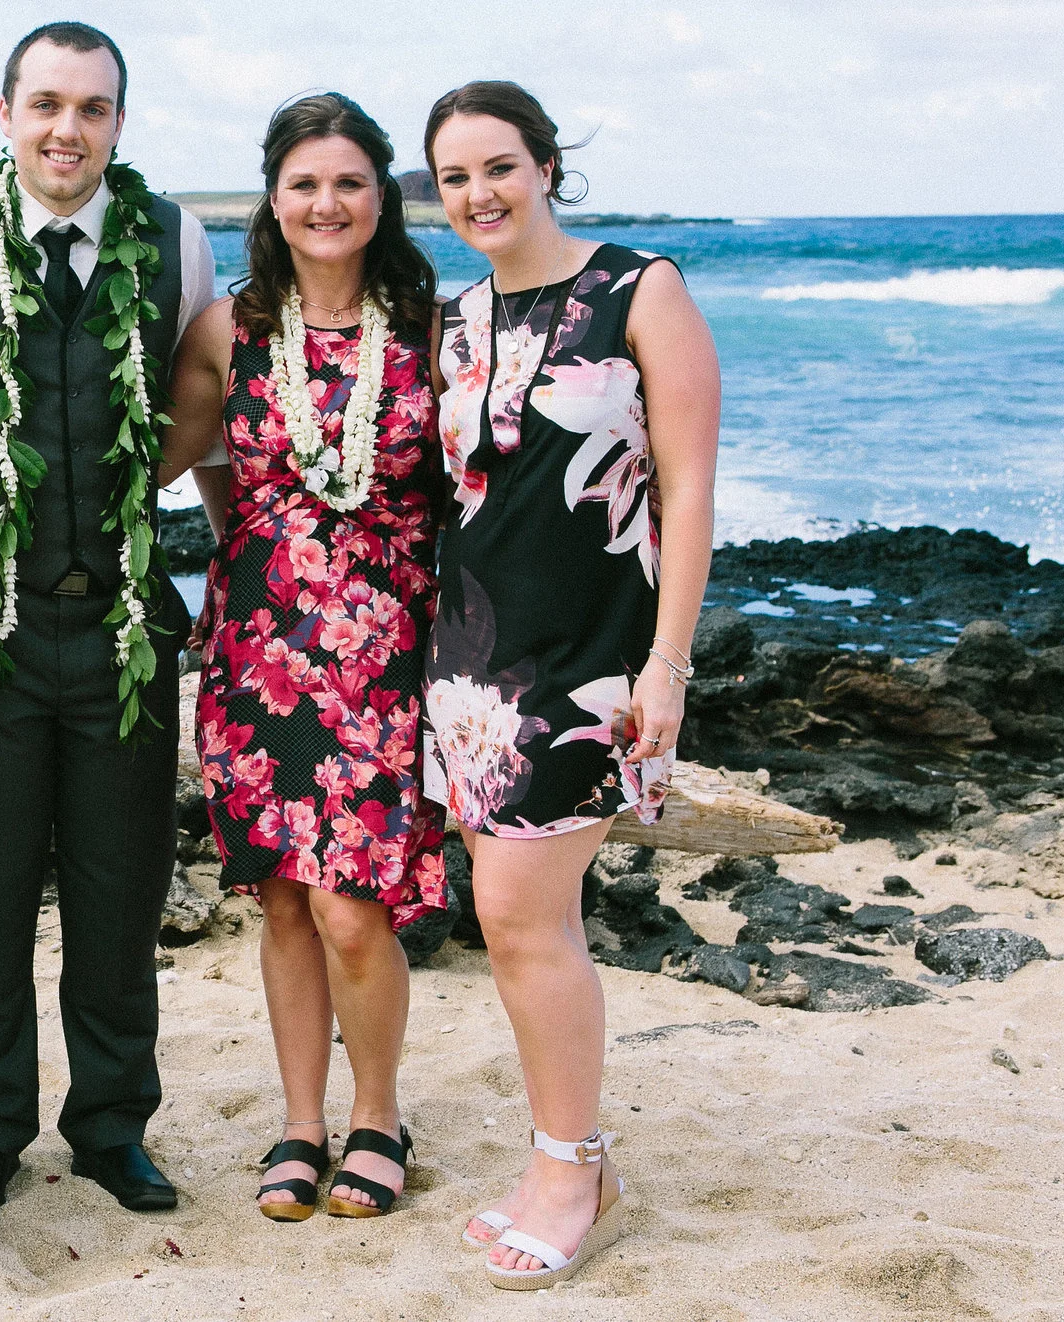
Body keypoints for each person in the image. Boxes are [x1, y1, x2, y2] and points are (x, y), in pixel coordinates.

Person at [0, 21, 217, 1220]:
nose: (67, 128)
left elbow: (208, 395)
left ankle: (114, 1126)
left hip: (125, 626)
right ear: (6, 114)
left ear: (118, 120)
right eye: (46, 104)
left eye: (92, 107)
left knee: (120, 896)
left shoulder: (176, 241)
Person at [418, 80, 720, 1290]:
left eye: (499, 165)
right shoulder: (451, 320)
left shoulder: (641, 288)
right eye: (454, 177)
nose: (478, 193)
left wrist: (667, 662)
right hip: (470, 659)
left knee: (516, 917)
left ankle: (570, 1169)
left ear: (546, 164)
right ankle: (568, 1153)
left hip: (593, 657)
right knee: (526, 922)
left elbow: (687, 490)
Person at [162, 92, 445, 1225]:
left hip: (385, 648)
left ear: (381, 197)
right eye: (304, 184)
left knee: (350, 905)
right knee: (282, 901)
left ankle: (377, 1115)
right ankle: (300, 1122)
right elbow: (176, 452)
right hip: (258, 642)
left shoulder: (432, 327)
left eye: (348, 183)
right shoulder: (226, 329)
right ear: (272, 200)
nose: (326, 203)